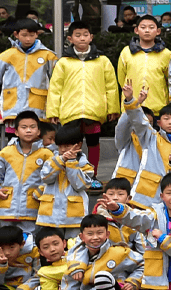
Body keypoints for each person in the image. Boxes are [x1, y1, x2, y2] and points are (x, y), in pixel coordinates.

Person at [45, 21, 120, 178]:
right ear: (70, 39)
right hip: (70, 111)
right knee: (70, 145)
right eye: (78, 35)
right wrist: (53, 111)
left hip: (94, 110)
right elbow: (55, 88)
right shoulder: (63, 62)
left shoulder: (103, 60)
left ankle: (92, 176)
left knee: (93, 143)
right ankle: (71, 175)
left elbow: (111, 86)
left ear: (91, 37)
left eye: (85, 35)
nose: (82, 38)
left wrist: (113, 108)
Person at [60, 213, 142, 290]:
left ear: (107, 234)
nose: (95, 237)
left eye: (100, 233)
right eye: (90, 234)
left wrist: (133, 281)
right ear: (82, 237)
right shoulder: (74, 262)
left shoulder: (119, 253)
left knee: (102, 277)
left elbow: (143, 264)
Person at [0, 111, 48, 229]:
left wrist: (39, 192)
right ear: (16, 132)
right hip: (7, 211)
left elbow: (50, 179)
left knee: (29, 240)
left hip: (33, 211)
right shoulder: (6, 153)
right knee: (8, 239)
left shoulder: (46, 154)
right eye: (24, 127)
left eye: (32, 127)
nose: (28, 130)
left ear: (38, 131)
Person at [0, 18, 56, 119]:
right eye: (24, 35)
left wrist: (55, 108)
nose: (28, 39)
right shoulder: (6, 56)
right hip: (12, 110)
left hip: (38, 111)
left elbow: (57, 83)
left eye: (31, 35)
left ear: (37, 34)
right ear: (16, 34)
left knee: (34, 129)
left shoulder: (48, 56)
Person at [118, 14, 171, 109]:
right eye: (143, 27)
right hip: (131, 106)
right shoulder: (126, 52)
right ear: (136, 30)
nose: (147, 30)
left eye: (151, 27)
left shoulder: (166, 54)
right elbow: (121, 79)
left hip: (158, 107)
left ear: (158, 31)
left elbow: (170, 80)